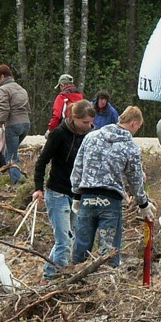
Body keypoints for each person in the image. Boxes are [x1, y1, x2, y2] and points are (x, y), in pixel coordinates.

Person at [71, 106, 155, 267]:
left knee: (80, 246)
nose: (137, 130)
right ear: (134, 123)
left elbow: (78, 168)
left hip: (87, 197)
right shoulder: (130, 147)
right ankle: (107, 280)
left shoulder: (91, 137)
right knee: (108, 252)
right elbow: (136, 179)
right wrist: (143, 204)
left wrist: (76, 195)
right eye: (138, 127)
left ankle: (75, 275)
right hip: (110, 200)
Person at [34, 100, 96, 279]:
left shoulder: (90, 136)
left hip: (77, 195)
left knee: (70, 237)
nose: (89, 126)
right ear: (74, 117)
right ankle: (56, 279)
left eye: (91, 122)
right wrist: (38, 188)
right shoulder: (59, 134)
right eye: (85, 122)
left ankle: (50, 272)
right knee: (64, 240)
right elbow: (42, 161)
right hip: (57, 192)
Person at [0, 65, 31, 185]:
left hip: (13, 125)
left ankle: (18, 183)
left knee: (11, 156)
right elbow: (28, 108)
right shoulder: (21, 89)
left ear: (2, 76)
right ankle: (18, 178)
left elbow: (4, 109)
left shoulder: (3, 89)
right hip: (26, 124)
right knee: (9, 152)